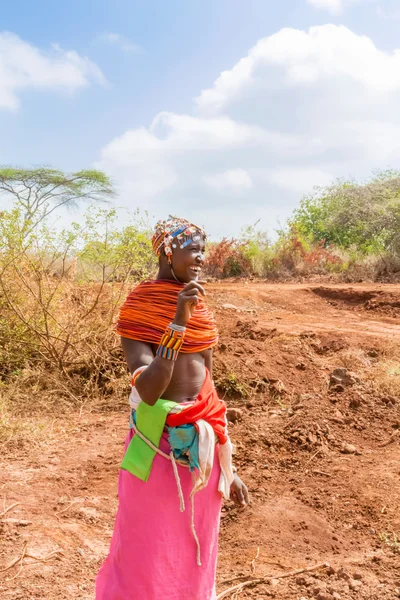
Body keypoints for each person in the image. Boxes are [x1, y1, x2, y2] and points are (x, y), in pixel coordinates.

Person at [96, 216, 249, 600]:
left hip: (200, 450)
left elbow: (208, 392)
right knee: (146, 545)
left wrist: (228, 467)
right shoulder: (141, 305)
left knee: (197, 549)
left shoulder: (201, 307)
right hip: (156, 446)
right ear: (168, 251)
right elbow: (148, 391)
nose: (201, 258)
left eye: (203, 251)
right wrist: (177, 323)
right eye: (193, 249)